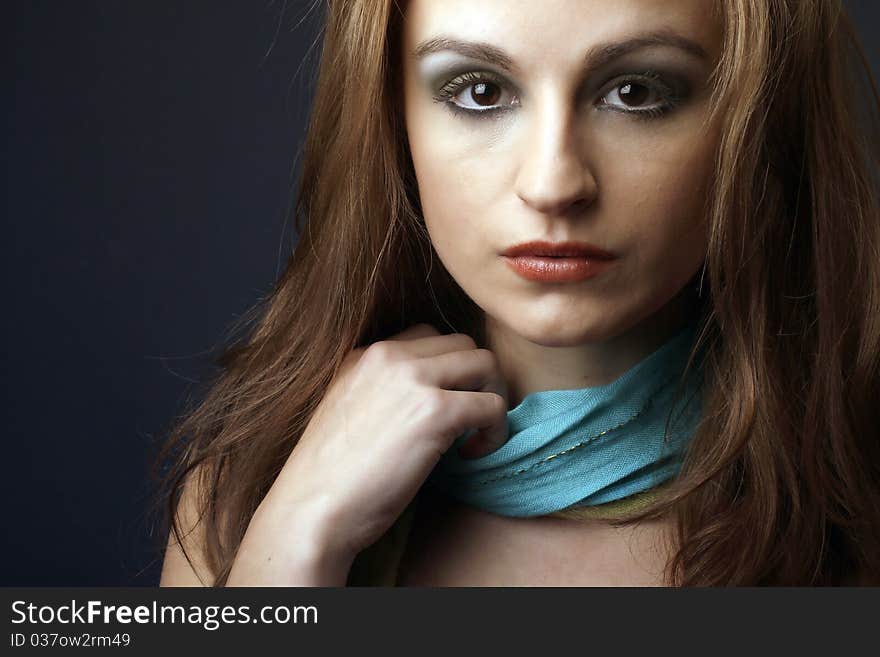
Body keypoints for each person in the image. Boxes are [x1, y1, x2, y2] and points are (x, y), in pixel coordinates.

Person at [155, 0, 880, 587]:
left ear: (754, 123)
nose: (553, 183)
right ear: (392, 117)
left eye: (636, 92)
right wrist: (294, 549)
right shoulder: (250, 495)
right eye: (481, 91)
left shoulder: (856, 500)